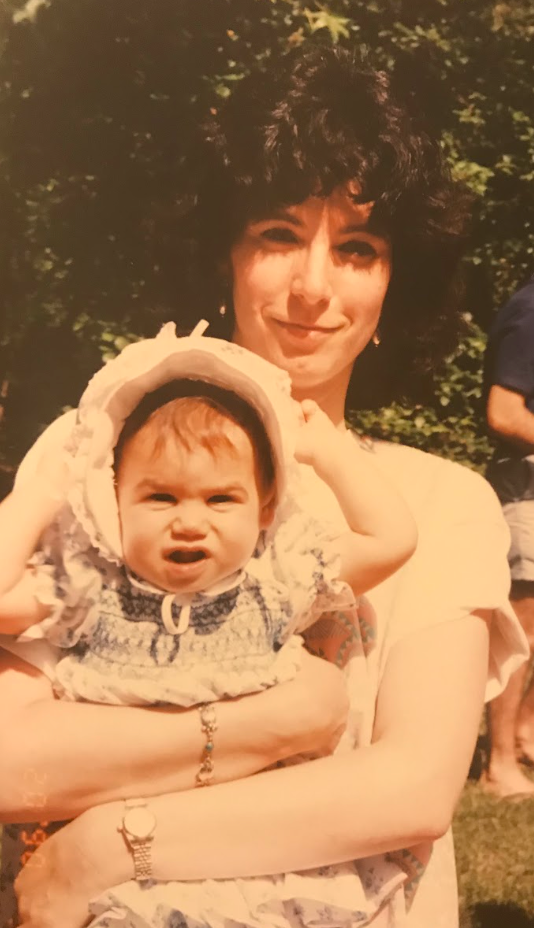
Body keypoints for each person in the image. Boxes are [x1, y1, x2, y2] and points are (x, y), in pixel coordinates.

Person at [0, 44, 528, 928]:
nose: (313, 287)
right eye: (278, 236)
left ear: (399, 282)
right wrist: (278, 725)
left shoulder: (439, 503)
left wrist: (107, 842)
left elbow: (409, 791)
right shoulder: (96, 458)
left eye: (357, 250)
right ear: (225, 254)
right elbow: (12, 760)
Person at [0, 324, 417, 928]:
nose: (190, 523)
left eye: (221, 500)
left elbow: (392, 540)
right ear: (113, 501)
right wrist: (39, 496)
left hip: (239, 845)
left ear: (265, 508)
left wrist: (330, 453)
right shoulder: (91, 587)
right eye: (160, 498)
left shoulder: (278, 581)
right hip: (107, 849)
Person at [483, 276, 534, 798]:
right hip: (527, 491)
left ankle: (525, 734)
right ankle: (498, 764)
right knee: (523, 632)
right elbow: (503, 411)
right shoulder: (531, 312)